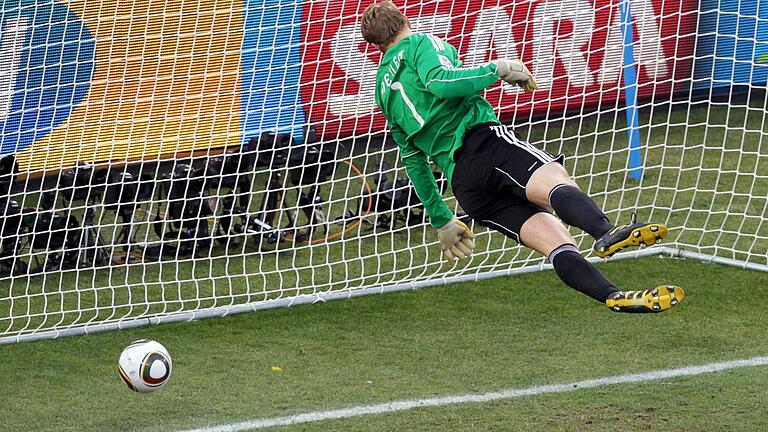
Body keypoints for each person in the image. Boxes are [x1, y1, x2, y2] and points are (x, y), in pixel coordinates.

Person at [361, 1, 684, 313]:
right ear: (404, 21)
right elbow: (441, 84)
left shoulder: (381, 89)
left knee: (556, 244)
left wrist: (441, 217)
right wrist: (497, 69)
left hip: (466, 186)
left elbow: (413, 159)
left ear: (375, 44)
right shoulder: (421, 43)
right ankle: (604, 231)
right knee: (554, 180)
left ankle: (613, 296)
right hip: (484, 143)